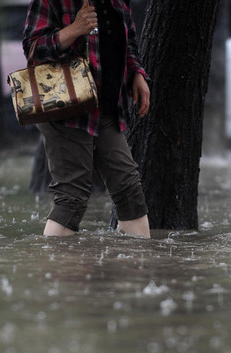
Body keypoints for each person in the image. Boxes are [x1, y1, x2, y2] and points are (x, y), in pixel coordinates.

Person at [23, 0, 151, 238]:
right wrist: (74, 30)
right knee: (72, 197)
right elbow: (33, 48)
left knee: (130, 191)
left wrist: (137, 73)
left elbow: (128, 41)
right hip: (66, 109)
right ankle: (59, 270)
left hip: (107, 108)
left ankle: (136, 270)